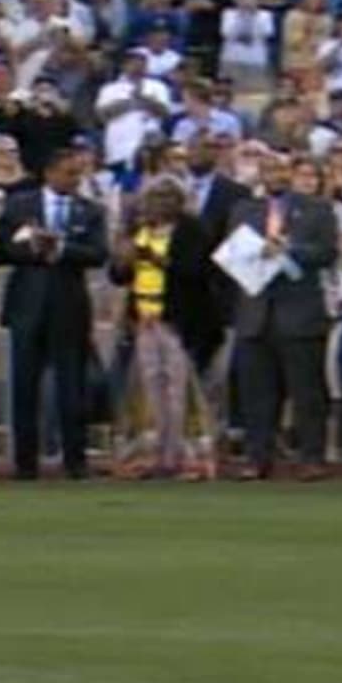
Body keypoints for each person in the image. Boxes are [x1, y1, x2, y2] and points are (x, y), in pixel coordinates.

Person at [0, 143, 110, 481]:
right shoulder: (19, 205)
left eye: (79, 174)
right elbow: (2, 248)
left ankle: (75, 460)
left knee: (71, 387)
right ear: (50, 173)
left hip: (69, 306)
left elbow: (98, 253)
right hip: (27, 305)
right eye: (69, 173)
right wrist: (32, 247)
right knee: (23, 387)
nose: (75, 180)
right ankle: (25, 463)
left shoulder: (91, 211)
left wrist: (60, 249)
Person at [223, 158, 340, 480]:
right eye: (269, 171)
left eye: (281, 170)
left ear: (291, 174)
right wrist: (253, 253)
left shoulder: (316, 209)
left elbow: (327, 252)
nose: (275, 176)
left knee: (307, 392)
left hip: (299, 311)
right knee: (256, 394)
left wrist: (291, 250)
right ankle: (257, 458)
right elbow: (231, 254)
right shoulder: (244, 210)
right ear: (261, 176)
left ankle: (311, 458)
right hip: (255, 312)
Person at [109, 176, 218, 480]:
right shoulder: (138, 231)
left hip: (179, 320)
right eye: (154, 198)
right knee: (148, 388)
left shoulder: (192, 231)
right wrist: (124, 260)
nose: (159, 204)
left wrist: (160, 259)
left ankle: (189, 460)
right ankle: (149, 456)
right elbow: (118, 276)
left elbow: (198, 271)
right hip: (144, 318)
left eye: (167, 198)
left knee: (179, 389)